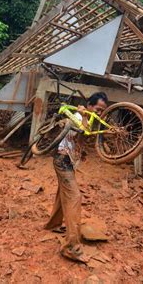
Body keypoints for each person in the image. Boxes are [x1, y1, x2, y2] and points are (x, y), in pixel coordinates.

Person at [44, 92, 108, 262]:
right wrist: (84, 115)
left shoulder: (88, 118)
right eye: (97, 108)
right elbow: (79, 131)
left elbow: (81, 138)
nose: (99, 113)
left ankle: (53, 224)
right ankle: (71, 247)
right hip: (62, 160)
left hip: (69, 162)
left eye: (102, 111)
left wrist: (83, 151)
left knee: (63, 193)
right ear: (89, 104)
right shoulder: (78, 115)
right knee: (74, 197)